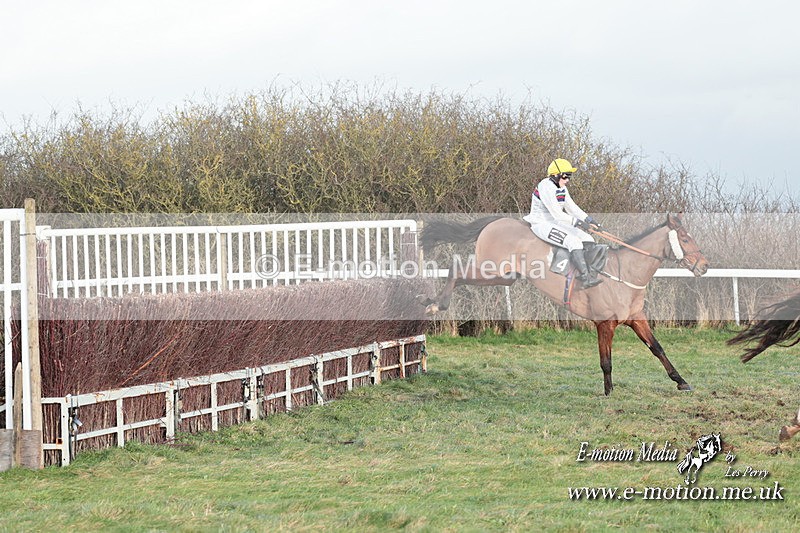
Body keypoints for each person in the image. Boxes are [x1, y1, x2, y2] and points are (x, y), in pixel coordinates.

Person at [523, 158, 603, 288]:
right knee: (574, 242)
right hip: (542, 224)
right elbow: (557, 214)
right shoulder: (546, 187)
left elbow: (572, 207)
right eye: (565, 176)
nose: (567, 180)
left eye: (569, 177)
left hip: (557, 222)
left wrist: (589, 220)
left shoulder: (562, 188)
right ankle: (584, 279)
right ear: (555, 175)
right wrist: (579, 223)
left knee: (588, 238)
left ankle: (591, 272)